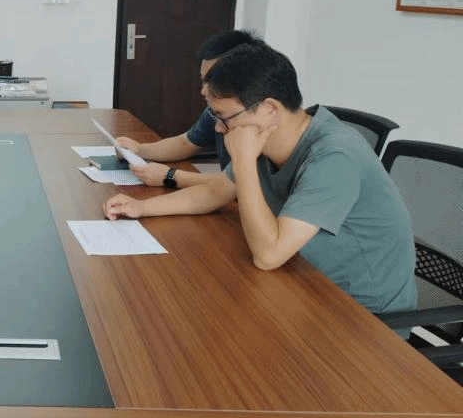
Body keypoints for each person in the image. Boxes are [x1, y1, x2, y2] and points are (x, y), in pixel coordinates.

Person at [102, 43, 416, 317]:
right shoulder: (270, 138)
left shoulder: (334, 155)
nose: (218, 129)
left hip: (363, 317)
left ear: (269, 109)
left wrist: (243, 161)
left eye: (223, 117)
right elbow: (215, 192)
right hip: (303, 282)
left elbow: (269, 256)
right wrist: (142, 208)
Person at [115, 30, 264, 189]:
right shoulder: (217, 111)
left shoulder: (261, 119)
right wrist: (139, 150)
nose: (204, 91)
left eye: (212, 82)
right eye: (203, 80)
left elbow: (239, 184)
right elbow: (186, 143)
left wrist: (170, 176)